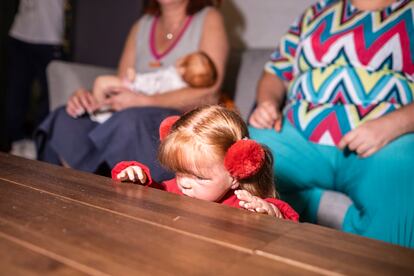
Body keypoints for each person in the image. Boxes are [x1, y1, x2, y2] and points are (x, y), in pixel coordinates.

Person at [248, 0, 414, 247]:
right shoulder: (317, 11)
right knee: (247, 156)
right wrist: (267, 102)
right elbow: (276, 72)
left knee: (403, 179)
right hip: (298, 132)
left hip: (384, 139)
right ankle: (312, 206)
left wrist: (391, 125)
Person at [35, 0, 228, 181]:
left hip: (174, 119)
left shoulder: (209, 18)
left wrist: (144, 101)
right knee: (66, 117)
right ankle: (67, 195)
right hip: (126, 114)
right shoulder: (142, 25)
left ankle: (89, 188)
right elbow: (121, 84)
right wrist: (88, 97)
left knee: (129, 121)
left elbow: (209, 93)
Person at [112, 105, 299, 221]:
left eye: (199, 177)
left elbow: (289, 225)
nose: (184, 183)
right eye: (179, 171)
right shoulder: (175, 190)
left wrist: (271, 214)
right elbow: (152, 196)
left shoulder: (246, 206)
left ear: (235, 174)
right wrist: (136, 181)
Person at [5, 0, 66, 154]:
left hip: (49, 36)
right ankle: (17, 140)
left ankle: (37, 142)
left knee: (49, 95)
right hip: (20, 32)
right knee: (16, 90)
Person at [90, 51, 217, 123]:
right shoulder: (176, 80)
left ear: (183, 68)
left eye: (185, 58)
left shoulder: (172, 79)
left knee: (101, 82)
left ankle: (101, 116)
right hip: (138, 89)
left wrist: (135, 79)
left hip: (137, 90)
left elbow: (153, 85)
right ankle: (101, 112)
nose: (181, 56)